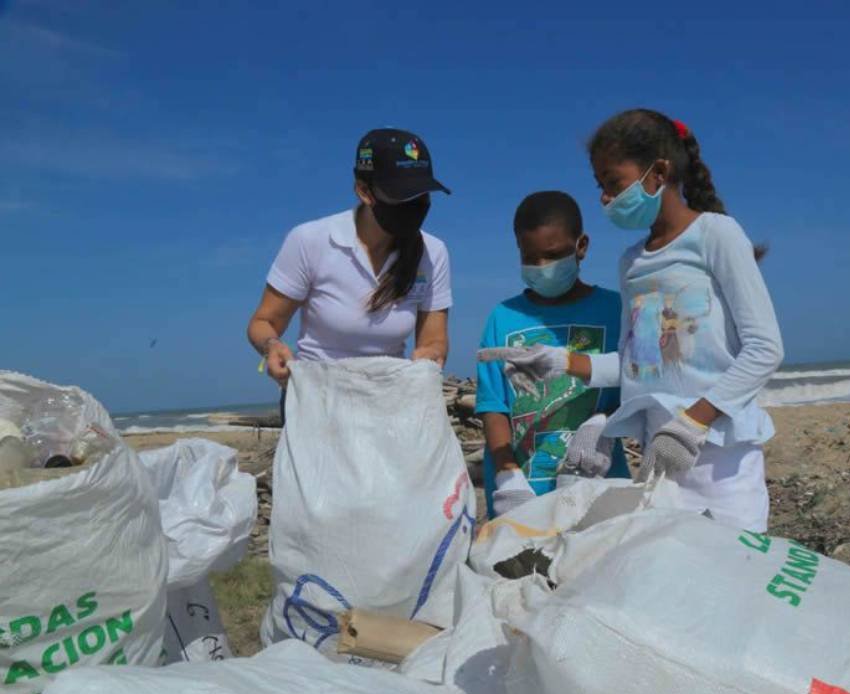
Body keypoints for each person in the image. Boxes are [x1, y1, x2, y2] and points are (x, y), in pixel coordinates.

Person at [480, 109, 783, 532]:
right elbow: (637, 365)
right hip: (659, 463)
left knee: (734, 578)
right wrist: (562, 362)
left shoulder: (717, 234)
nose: (605, 198)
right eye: (600, 186)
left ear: (657, 173)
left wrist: (694, 421)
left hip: (720, 460)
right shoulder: (632, 263)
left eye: (613, 183)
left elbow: (765, 349)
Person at [247, 128, 453, 418]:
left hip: (388, 402)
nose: (412, 206)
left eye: (420, 196)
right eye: (400, 196)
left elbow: (434, 341)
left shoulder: (434, 253)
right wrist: (272, 346)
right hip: (316, 402)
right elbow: (263, 321)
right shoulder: (310, 241)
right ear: (364, 191)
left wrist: (430, 357)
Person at [476, 191, 630, 517]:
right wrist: (508, 476)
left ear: (582, 246)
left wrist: (603, 425)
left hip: (595, 491)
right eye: (530, 258)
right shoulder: (502, 318)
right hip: (521, 497)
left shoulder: (616, 311)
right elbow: (493, 409)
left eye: (553, 255)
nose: (541, 267)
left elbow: (635, 386)